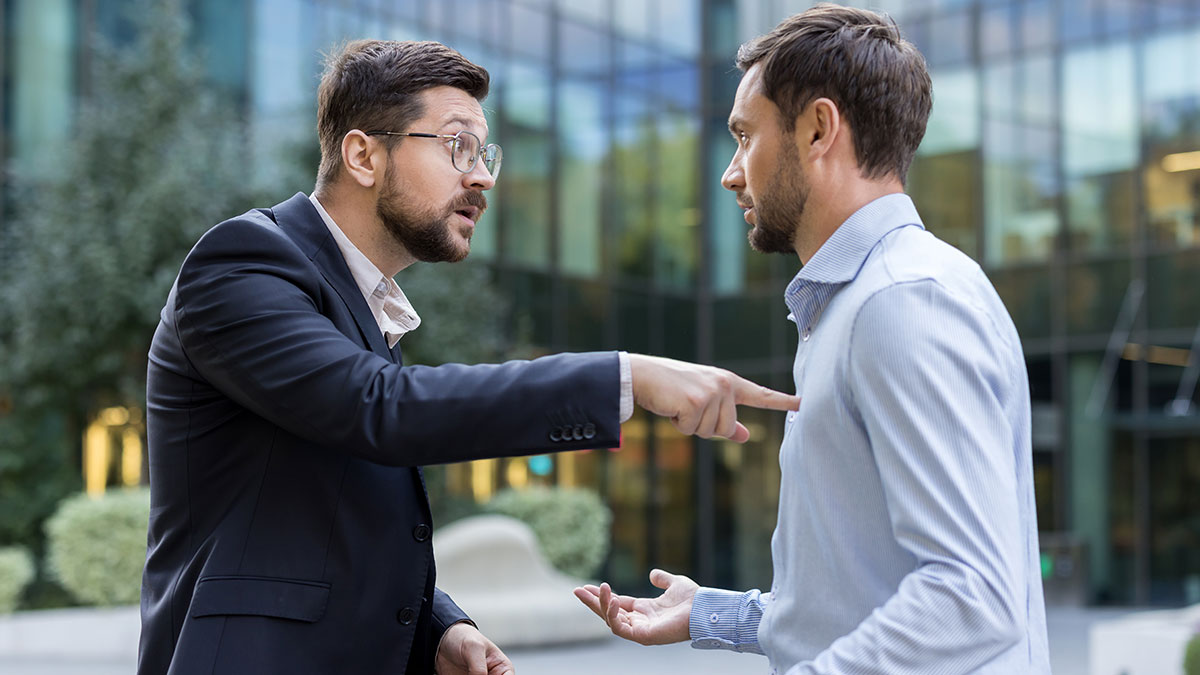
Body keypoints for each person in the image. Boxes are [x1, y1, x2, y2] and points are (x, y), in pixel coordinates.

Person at [138, 39, 799, 675]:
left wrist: (438, 626)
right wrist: (626, 376)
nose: (482, 175)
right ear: (364, 157)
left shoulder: (363, 305)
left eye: (486, 153)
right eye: (458, 146)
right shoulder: (242, 263)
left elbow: (325, 517)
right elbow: (379, 410)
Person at [574, 5, 1051, 674]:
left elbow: (972, 597)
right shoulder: (860, 302)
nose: (730, 173)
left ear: (819, 129)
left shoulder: (901, 301)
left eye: (745, 136)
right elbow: (862, 590)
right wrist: (715, 613)